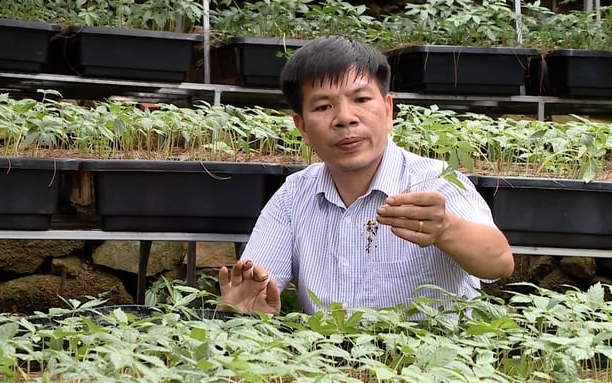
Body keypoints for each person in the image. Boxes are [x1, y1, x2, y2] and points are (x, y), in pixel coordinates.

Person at [217, 35, 514, 316]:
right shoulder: (293, 197)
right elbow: (256, 283)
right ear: (303, 127)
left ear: (388, 111)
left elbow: (499, 262)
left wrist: (445, 229)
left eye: (361, 99)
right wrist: (244, 306)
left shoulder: (433, 183)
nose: (345, 117)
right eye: (323, 106)